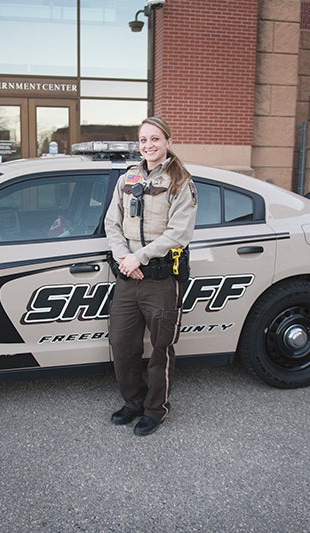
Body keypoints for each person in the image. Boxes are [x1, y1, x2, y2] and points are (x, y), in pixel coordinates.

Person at [104, 116, 197, 436]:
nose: (149, 145)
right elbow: (111, 223)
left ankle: (155, 409)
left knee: (160, 348)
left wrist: (139, 257)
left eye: (155, 139)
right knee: (121, 343)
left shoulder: (181, 181)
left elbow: (178, 234)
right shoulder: (127, 178)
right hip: (128, 278)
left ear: (168, 141)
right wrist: (124, 259)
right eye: (143, 140)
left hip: (160, 280)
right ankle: (134, 402)